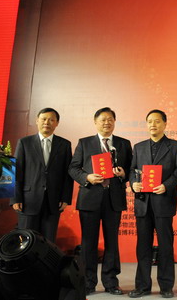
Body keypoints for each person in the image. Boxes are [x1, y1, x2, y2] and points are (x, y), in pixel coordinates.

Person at [68, 107, 132, 296]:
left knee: (112, 241)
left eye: (110, 119)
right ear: (95, 122)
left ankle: (111, 282)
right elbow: (73, 168)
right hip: (90, 198)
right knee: (88, 242)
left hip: (114, 199)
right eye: (103, 119)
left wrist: (124, 173)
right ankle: (88, 282)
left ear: (114, 122)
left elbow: (131, 168)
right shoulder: (85, 143)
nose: (107, 123)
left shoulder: (123, 143)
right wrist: (87, 177)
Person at [128, 110, 177, 299]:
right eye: (150, 121)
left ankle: (166, 286)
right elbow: (132, 170)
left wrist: (166, 185)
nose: (153, 125)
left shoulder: (176, 146)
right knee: (143, 247)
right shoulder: (139, 147)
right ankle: (142, 286)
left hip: (163, 201)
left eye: (157, 121)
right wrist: (133, 183)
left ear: (165, 124)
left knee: (165, 246)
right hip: (143, 202)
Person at [11, 107, 73, 242]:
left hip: (53, 201)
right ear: (37, 121)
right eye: (44, 119)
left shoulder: (64, 144)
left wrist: (65, 198)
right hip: (28, 200)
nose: (47, 122)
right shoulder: (24, 143)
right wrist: (15, 198)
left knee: (48, 241)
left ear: (57, 123)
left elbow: (67, 174)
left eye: (51, 120)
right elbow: (17, 172)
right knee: (26, 240)